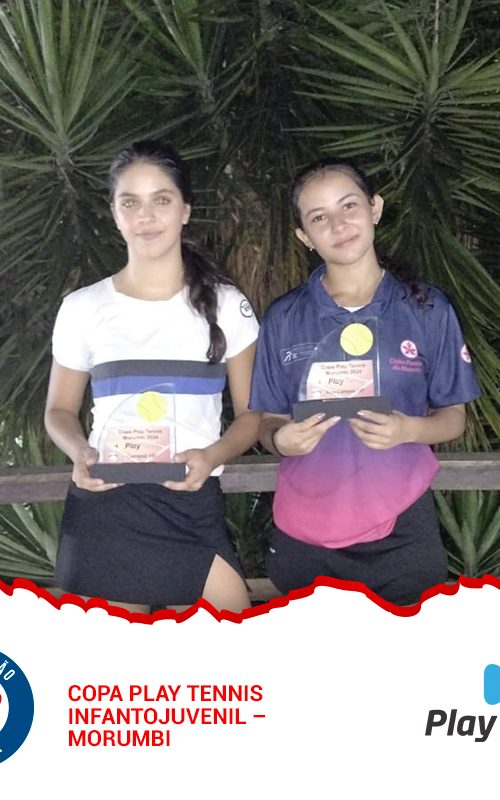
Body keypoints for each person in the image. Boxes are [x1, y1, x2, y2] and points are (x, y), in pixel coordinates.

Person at [249, 158, 480, 605]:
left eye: (349, 206)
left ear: (375, 208)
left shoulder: (427, 308)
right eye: (319, 218)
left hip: (401, 531)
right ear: (304, 236)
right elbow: (268, 419)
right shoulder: (284, 316)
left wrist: (409, 429)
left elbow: (453, 417)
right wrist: (280, 439)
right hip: (306, 533)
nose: (338, 225)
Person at [45, 139, 260, 614]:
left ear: (185, 210)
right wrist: (81, 452)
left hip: (191, 499)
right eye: (130, 202)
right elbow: (58, 411)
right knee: (116, 661)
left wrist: (211, 456)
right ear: (114, 213)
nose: (146, 216)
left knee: (235, 651)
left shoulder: (227, 304)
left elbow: (252, 416)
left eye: (161, 199)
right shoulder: (83, 307)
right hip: (107, 503)